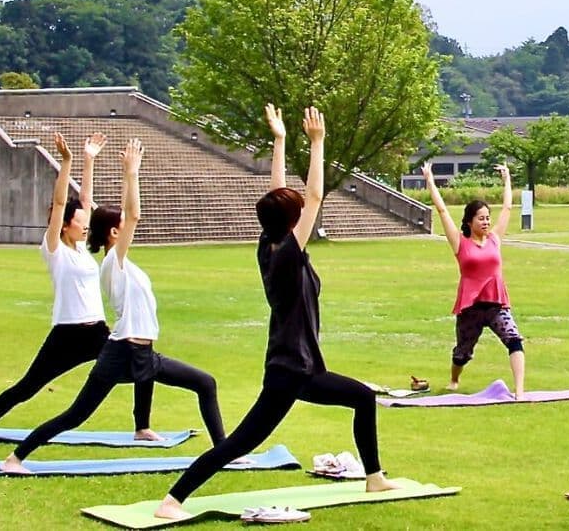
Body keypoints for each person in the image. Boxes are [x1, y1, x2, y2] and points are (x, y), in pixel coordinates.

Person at [155, 106, 394, 520]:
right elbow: (314, 196)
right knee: (240, 443)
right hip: (291, 369)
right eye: (296, 212)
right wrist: (318, 143)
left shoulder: (269, 241)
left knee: (362, 398)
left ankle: (373, 475)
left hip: (301, 365)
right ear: (290, 221)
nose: (303, 211)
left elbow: (277, 192)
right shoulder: (285, 253)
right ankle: (172, 500)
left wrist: (281, 140)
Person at [0, 139, 228, 472]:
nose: (129, 226)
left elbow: (119, 213)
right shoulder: (113, 263)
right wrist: (130, 174)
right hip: (119, 353)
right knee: (75, 416)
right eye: (121, 225)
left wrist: (94, 163)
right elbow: (132, 214)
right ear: (113, 232)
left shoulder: (121, 262)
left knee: (205, 383)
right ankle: (15, 458)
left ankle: (222, 452)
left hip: (145, 355)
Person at [0, 133, 156, 440]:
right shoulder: (54, 249)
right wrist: (66, 162)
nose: (86, 225)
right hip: (66, 334)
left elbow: (84, 200)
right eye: (80, 222)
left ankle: (142, 427)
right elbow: (60, 202)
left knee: (143, 361)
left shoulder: (82, 249)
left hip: (96, 332)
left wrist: (89, 159)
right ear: (67, 224)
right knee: (29, 385)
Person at [421, 161, 527, 398]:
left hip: (496, 304)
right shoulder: (461, 243)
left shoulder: (495, 239)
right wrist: (429, 181)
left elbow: (508, 208)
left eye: (488, 218)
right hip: (470, 308)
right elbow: (442, 211)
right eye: (481, 218)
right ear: (470, 221)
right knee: (462, 352)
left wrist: (507, 179)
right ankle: (454, 379)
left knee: (514, 340)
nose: (486, 222)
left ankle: (519, 390)